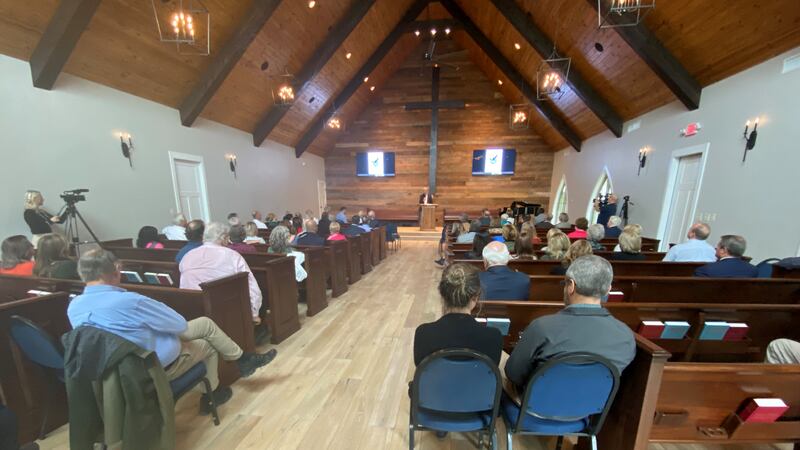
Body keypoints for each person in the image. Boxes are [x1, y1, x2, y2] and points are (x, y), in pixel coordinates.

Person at [68, 249, 276, 414]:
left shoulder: (74, 306)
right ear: (116, 269)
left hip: (113, 370)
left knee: (205, 323)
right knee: (207, 344)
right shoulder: (130, 301)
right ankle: (211, 396)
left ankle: (242, 359)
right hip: (150, 366)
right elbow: (178, 325)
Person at [504, 256, 635, 399]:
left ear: (571, 286)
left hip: (533, 411)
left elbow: (514, 374)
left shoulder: (542, 327)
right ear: (607, 290)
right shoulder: (625, 336)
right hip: (587, 412)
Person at [414, 263, 503, 366]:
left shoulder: (423, 334)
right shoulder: (493, 337)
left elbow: (421, 369)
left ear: (442, 295)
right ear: (475, 297)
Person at [180, 223, 263, 321]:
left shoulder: (187, 256)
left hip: (193, 311)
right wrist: (254, 313)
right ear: (223, 237)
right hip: (226, 312)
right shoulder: (232, 256)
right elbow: (251, 285)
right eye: (227, 237)